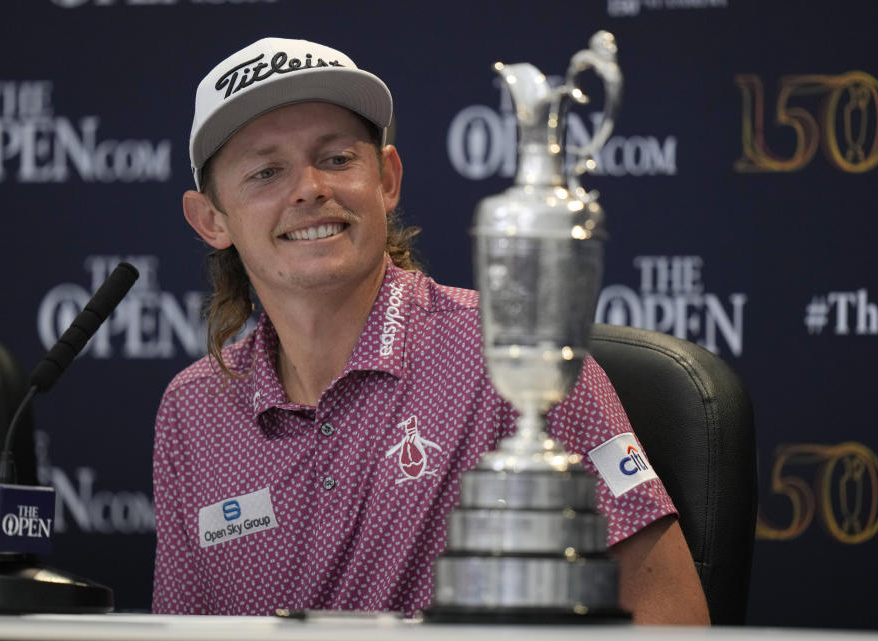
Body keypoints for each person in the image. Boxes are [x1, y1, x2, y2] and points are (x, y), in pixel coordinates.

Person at [152, 36, 709, 624]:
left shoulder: (510, 357)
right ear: (211, 219)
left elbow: (669, 620)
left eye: (338, 159)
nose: (311, 188)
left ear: (387, 180)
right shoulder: (192, 410)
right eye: (267, 171)